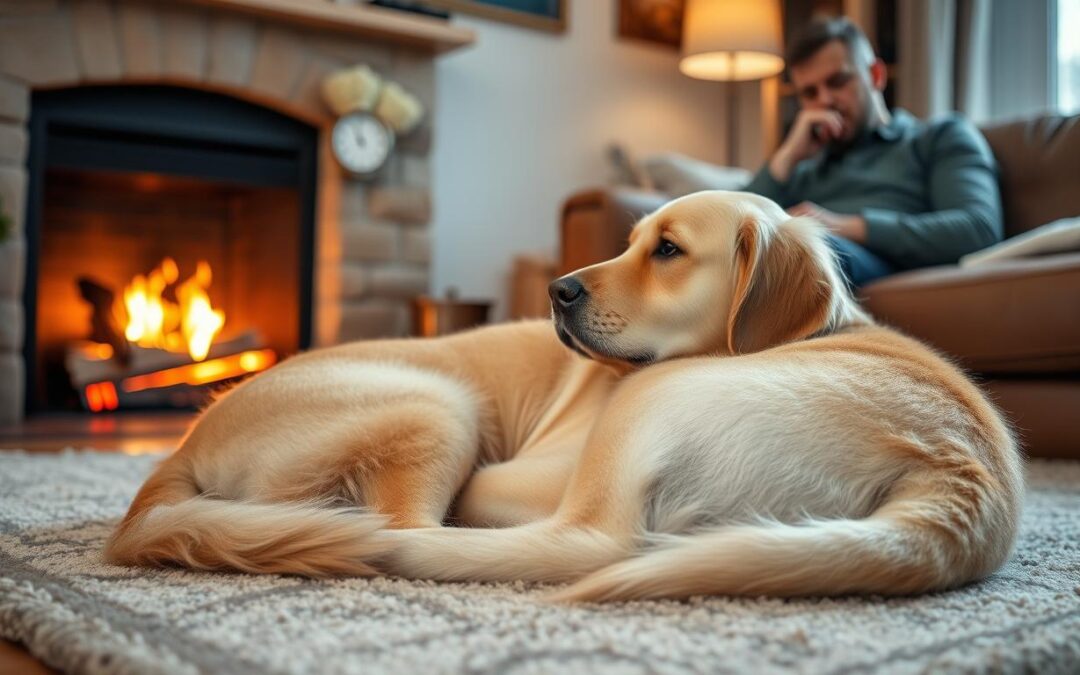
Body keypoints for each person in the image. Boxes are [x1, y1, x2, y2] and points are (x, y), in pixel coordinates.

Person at [745, 17, 1003, 287]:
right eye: (810, 93)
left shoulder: (938, 137)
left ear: (876, 76)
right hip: (801, 265)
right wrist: (786, 156)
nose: (824, 100)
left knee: (806, 251)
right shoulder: (803, 170)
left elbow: (979, 229)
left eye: (838, 81)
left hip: (855, 262)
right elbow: (734, 230)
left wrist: (841, 225)